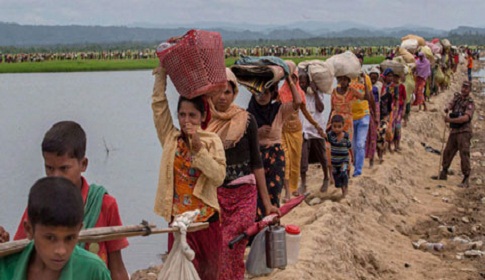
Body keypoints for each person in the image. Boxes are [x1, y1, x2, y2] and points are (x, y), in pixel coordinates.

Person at [10, 121, 129, 280]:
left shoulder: (105, 204)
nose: (55, 177)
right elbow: (21, 251)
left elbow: (117, 267)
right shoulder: (41, 205)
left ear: (83, 164)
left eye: (64, 168)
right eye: (49, 168)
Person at [151, 66, 226, 280]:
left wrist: (198, 148)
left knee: (209, 274)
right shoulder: (171, 139)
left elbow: (219, 176)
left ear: (202, 117)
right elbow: (158, 108)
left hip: (206, 222)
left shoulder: (212, 142)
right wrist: (162, 75)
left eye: (192, 115)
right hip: (179, 223)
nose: (186, 121)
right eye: (182, 115)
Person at [207, 68, 279, 280]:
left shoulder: (246, 121)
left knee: (231, 243)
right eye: (218, 91)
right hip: (217, 196)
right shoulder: (206, 123)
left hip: (245, 195)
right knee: (219, 249)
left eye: (227, 92)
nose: (222, 97)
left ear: (235, 93)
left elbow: (257, 164)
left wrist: (267, 204)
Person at [0, 177, 111, 280]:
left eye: (69, 238)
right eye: (50, 238)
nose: (61, 251)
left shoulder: (93, 272)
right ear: (29, 230)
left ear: (79, 230)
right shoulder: (4, 269)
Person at [247, 61, 302, 219]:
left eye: (266, 93)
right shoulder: (248, 115)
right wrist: (256, 133)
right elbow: (244, 138)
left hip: (275, 157)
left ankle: (272, 224)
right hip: (256, 158)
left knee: (274, 193)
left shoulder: (279, 110)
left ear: (272, 94)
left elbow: (298, 102)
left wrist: (289, 80)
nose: (262, 96)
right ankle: (258, 228)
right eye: (258, 93)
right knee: (256, 194)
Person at [279, 61, 324, 199]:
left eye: (294, 78)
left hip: (296, 131)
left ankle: (293, 188)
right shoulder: (280, 93)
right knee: (286, 161)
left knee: (295, 161)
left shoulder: (299, 94)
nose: (291, 81)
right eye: (289, 78)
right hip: (283, 131)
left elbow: (305, 112)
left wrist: (316, 125)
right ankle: (286, 191)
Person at [434, 81, 475, 188]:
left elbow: (466, 118)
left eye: (466, 88)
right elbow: (451, 103)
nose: (464, 89)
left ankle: (466, 178)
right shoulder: (457, 98)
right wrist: (447, 108)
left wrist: (451, 119)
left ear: (469, 90)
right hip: (455, 130)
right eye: (463, 87)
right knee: (448, 151)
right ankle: (444, 172)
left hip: (464, 131)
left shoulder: (470, 103)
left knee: (464, 154)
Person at [298, 69, 330, 192]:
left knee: (322, 156)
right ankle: (303, 183)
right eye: (300, 82)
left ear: (308, 82)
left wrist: (315, 92)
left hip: (317, 130)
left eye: (303, 82)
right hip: (304, 129)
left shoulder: (317, 93)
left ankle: (326, 178)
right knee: (303, 158)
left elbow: (321, 108)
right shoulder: (300, 95)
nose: (301, 84)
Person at [350, 53, 374, 177]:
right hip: (351, 116)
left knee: (360, 144)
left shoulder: (366, 78)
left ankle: (358, 171)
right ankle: (355, 166)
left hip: (364, 115)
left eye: (360, 62)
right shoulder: (348, 78)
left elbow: (370, 98)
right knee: (353, 145)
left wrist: (365, 82)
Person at [327, 115, 353, 197]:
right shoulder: (330, 136)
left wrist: (352, 157)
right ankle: (342, 188)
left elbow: (350, 147)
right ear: (331, 126)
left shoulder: (346, 137)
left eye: (339, 127)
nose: (337, 129)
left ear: (343, 126)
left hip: (344, 161)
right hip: (335, 163)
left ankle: (345, 191)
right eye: (334, 126)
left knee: (343, 173)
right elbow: (323, 136)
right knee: (337, 178)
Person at [367, 67, 382, 167]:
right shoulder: (366, 87)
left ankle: (372, 158)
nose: (373, 80)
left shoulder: (379, 86)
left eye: (375, 78)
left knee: (374, 135)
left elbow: (379, 100)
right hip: (366, 110)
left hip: (375, 110)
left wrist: (377, 116)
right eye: (371, 77)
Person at [391, 73, 407, 152]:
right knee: (392, 127)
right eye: (394, 77)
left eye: (397, 77)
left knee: (398, 127)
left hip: (399, 108)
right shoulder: (391, 86)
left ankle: (397, 145)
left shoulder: (402, 87)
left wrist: (404, 109)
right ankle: (392, 145)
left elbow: (404, 98)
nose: (395, 79)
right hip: (392, 108)